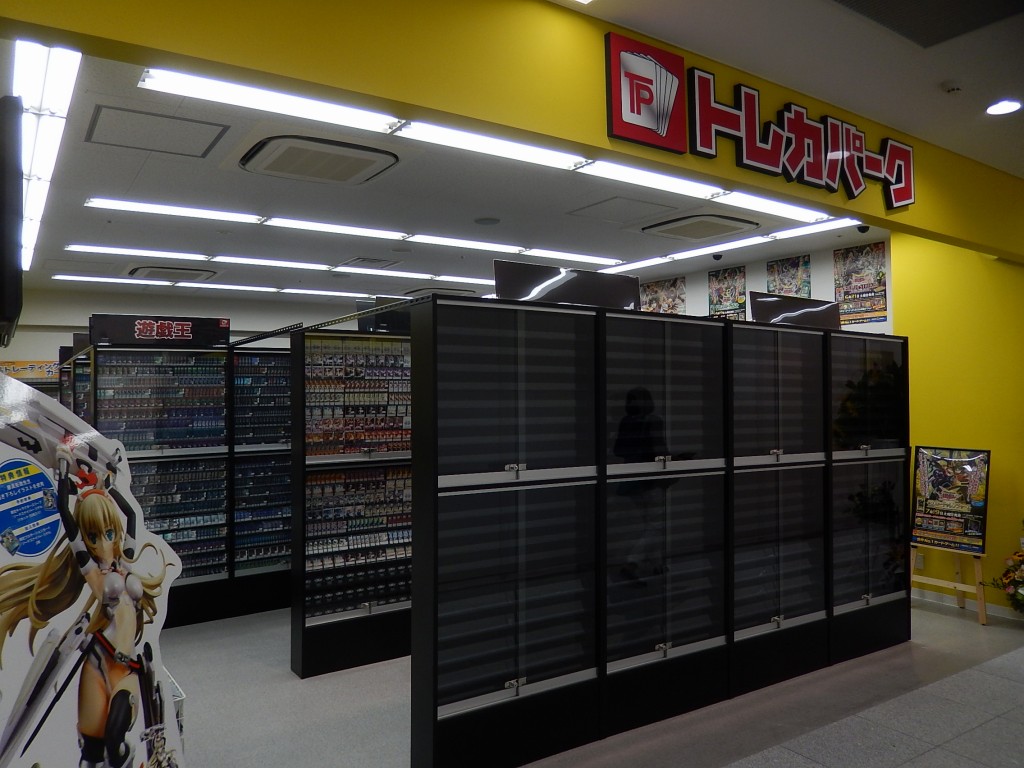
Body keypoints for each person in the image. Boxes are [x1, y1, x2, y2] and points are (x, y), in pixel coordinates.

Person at [0, 443, 169, 768]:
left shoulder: (125, 560)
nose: (104, 542)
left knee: (116, 738)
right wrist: (62, 472)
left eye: (109, 532)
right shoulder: (93, 573)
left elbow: (132, 516)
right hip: (98, 660)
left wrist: (111, 485)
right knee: (91, 752)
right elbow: (67, 517)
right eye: (94, 537)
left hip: (127, 668)